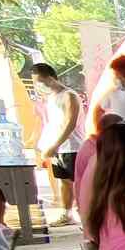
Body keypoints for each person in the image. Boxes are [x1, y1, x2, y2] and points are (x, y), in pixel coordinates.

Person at [31, 63, 84, 227]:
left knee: (78, 183)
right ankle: (67, 213)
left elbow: (71, 123)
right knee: (64, 182)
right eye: (36, 82)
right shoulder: (50, 98)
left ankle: (84, 213)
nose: (40, 85)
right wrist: (46, 145)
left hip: (72, 147)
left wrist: (56, 145)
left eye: (41, 81)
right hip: (57, 148)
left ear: (51, 77)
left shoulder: (69, 96)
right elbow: (52, 124)